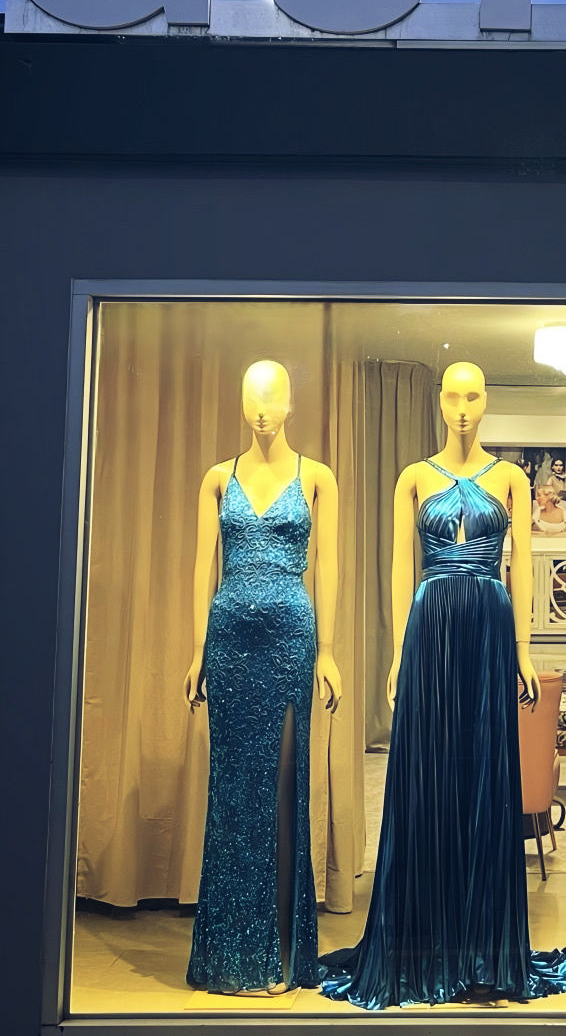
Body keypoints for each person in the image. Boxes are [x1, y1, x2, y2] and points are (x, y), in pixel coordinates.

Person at [319, 362, 566, 1009]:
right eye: (453, 396)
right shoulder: (413, 478)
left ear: (486, 402)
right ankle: (425, 944)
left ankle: (484, 950)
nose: (462, 407)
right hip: (430, 634)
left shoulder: (512, 479)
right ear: (440, 403)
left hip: (489, 633)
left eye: (473, 395)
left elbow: (525, 571)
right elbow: (401, 576)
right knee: (430, 778)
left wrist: (523, 650)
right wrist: (399, 657)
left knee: (485, 779)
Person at [184, 360, 341, 995]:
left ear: (291, 405)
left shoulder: (317, 478)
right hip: (228, 642)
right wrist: (196, 650)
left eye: (272, 399)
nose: (262, 410)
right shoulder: (217, 479)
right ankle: (230, 957)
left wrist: (328, 650)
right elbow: (203, 568)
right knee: (232, 794)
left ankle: (278, 954)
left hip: (290, 641)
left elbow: (327, 567)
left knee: (282, 789)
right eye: (252, 398)